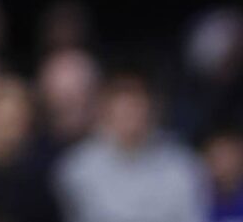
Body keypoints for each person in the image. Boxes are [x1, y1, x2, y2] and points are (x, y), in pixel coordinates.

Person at [52, 70, 207, 222]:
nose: (131, 115)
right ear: (105, 110)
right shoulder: (75, 169)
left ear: (154, 109)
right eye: (123, 108)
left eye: (137, 106)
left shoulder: (182, 165)